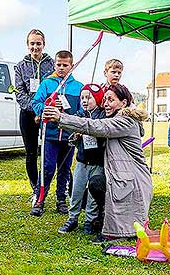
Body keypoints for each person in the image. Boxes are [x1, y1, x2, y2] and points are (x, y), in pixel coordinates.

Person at [43, 84, 153, 243]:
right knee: (92, 186)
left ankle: (119, 230)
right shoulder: (113, 118)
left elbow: (98, 126)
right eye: (105, 99)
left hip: (134, 179)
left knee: (98, 184)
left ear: (123, 103)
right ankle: (102, 219)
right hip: (120, 174)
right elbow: (95, 128)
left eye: (111, 100)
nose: (106, 103)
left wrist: (61, 117)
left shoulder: (126, 121)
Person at [30, 50, 83, 216]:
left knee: (65, 169)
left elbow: (82, 109)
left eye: (65, 65)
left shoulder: (78, 87)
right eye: (58, 64)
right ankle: (40, 199)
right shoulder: (47, 84)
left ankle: (61, 199)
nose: (61, 68)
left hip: (68, 136)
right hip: (50, 135)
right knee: (47, 167)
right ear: (54, 64)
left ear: (71, 66)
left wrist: (75, 118)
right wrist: (44, 110)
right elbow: (36, 102)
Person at [58, 84, 105, 235]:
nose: (85, 100)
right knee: (76, 190)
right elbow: (72, 135)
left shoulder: (102, 117)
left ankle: (90, 221)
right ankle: (72, 218)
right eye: (82, 97)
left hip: (97, 163)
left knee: (92, 195)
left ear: (97, 99)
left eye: (89, 97)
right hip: (82, 162)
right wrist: (76, 137)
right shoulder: (80, 115)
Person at [14, 29, 54, 204]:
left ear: (44, 44)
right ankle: (35, 189)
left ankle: (56, 188)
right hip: (28, 114)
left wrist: (44, 110)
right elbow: (19, 92)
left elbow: (55, 89)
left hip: (48, 113)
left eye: (38, 43)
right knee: (31, 153)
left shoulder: (53, 64)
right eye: (32, 43)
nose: (35, 47)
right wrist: (35, 109)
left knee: (50, 152)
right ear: (27, 45)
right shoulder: (20, 66)